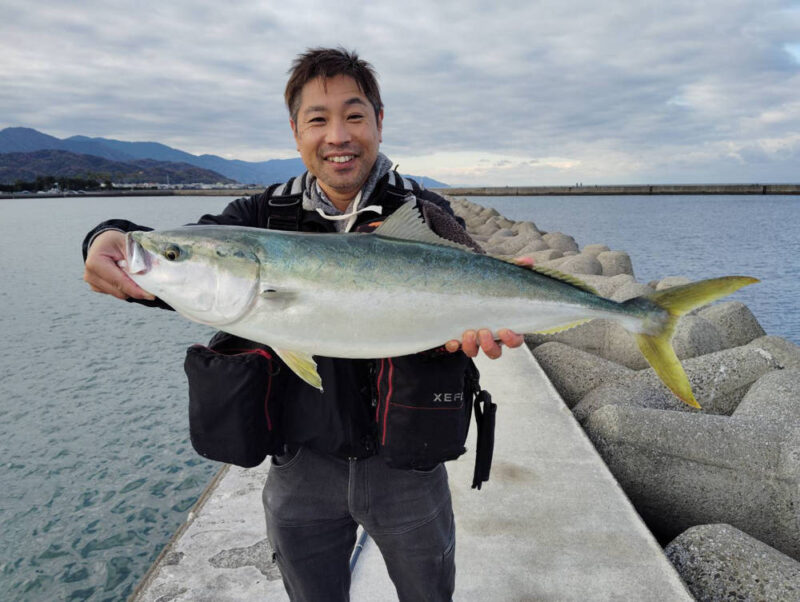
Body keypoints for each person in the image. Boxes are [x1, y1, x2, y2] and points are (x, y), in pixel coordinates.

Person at [83, 47, 523, 602]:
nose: (337, 134)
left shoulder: (425, 213)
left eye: (354, 115)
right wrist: (107, 237)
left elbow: (474, 279)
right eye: (318, 119)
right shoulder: (257, 221)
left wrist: (486, 323)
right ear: (296, 132)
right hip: (300, 470)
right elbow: (176, 256)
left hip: (409, 472)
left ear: (379, 123)